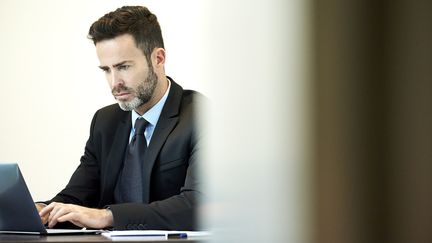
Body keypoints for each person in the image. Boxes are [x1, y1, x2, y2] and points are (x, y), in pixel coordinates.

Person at [37, 5, 203, 231]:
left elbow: (197, 205)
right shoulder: (105, 122)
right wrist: (42, 210)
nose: (115, 82)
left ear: (158, 58)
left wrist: (108, 216)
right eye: (106, 70)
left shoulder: (202, 117)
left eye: (123, 67)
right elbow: (78, 196)